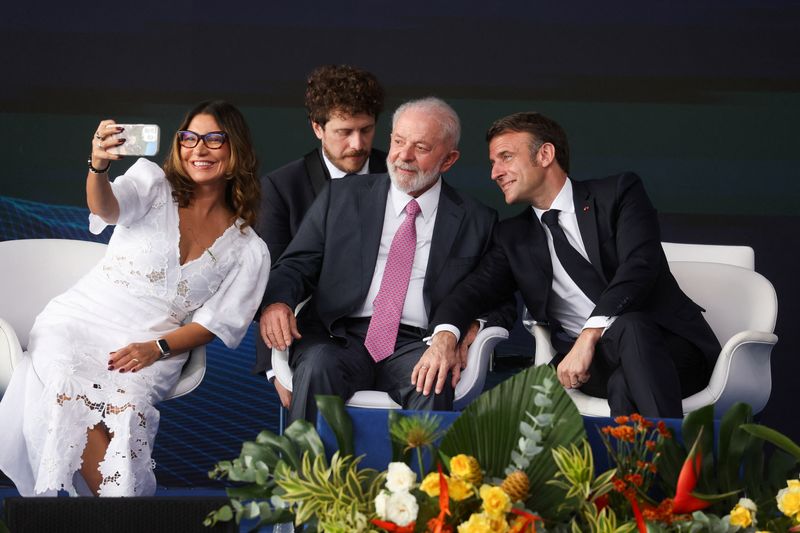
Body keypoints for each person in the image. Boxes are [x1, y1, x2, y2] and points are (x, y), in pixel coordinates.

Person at [0, 100, 270, 497]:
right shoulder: (152, 183)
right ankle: (117, 514)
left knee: (124, 417)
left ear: (236, 151)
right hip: (77, 322)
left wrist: (156, 347)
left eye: (214, 139)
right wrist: (99, 166)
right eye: (189, 138)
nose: (199, 149)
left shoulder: (249, 248)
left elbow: (215, 324)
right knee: (64, 384)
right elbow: (105, 207)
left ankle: (114, 513)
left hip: (151, 345)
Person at [420, 112, 720, 418]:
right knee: (519, 408)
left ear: (546, 154)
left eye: (506, 157)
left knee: (629, 343)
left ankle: (657, 465)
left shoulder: (618, 194)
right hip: (593, 365)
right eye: (492, 163)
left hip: (668, 350)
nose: (495, 173)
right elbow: (472, 291)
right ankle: (670, 465)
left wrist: (589, 335)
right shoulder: (513, 237)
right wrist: (446, 334)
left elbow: (640, 266)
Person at [260, 97, 515, 424]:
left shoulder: (477, 219)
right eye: (397, 141)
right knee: (317, 365)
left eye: (421, 147)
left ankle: (423, 476)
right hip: (339, 336)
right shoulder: (343, 197)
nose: (403, 156)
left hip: (418, 342)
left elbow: (500, 300)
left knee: (433, 380)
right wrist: (277, 302)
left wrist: (470, 328)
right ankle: (304, 475)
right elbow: (295, 264)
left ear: (448, 160)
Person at [254, 65, 386, 406]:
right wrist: (275, 365)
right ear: (317, 128)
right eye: (344, 132)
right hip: (317, 336)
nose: (358, 144)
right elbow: (272, 278)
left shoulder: (402, 176)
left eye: (366, 130)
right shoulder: (282, 188)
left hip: (398, 334)